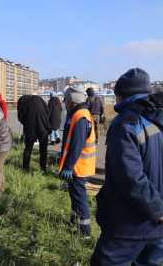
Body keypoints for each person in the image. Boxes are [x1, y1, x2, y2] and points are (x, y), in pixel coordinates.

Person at [91, 68, 163, 265]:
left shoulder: (125, 124)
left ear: (120, 96)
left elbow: (130, 177)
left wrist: (157, 209)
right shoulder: (158, 118)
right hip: (158, 227)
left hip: (129, 224)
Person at [59, 84, 96, 238]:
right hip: (77, 165)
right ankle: (74, 220)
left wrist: (68, 166)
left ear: (72, 101)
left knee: (79, 198)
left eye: (66, 100)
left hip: (78, 167)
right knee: (74, 194)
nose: (64, 103)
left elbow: (76, 146)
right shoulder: (79, 113)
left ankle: (85, 234)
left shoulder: (80, 116)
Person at [18, 95, 51, 174]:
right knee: (43, 150)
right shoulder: (40, 99)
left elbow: (20, 117)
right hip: (43, 127)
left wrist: (26, 123)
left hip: (30, 128)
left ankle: (25, 168)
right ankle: (43, 169)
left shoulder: (23, 103)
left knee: (28, 149)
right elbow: (47, 111)